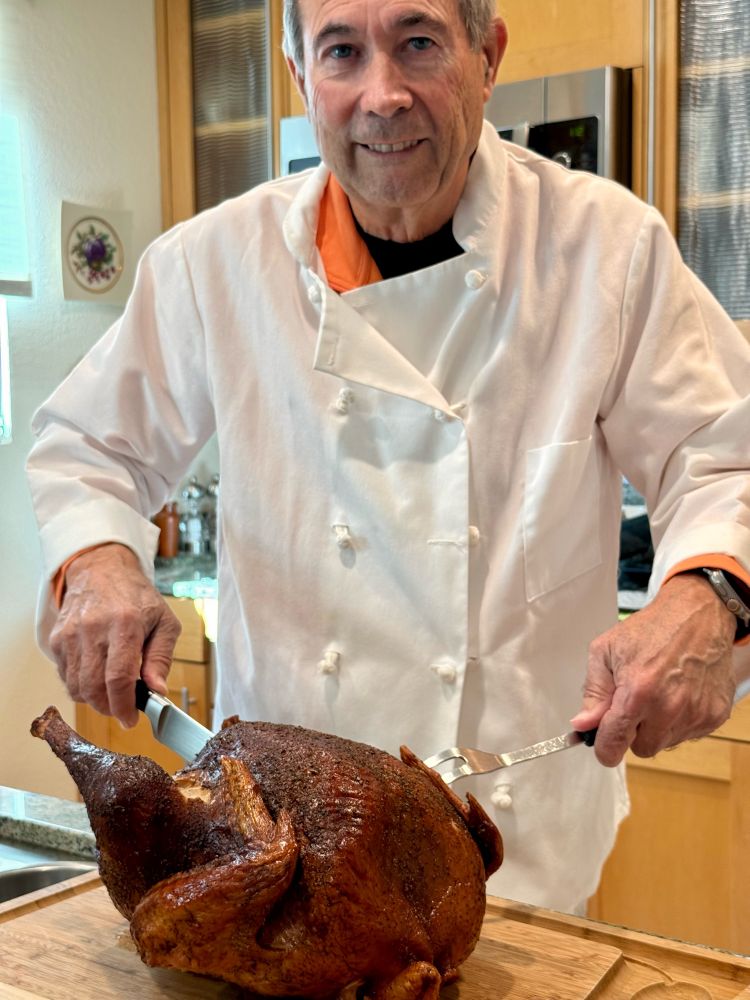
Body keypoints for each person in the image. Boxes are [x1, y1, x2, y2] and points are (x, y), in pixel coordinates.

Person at [26, 0, 750, 914]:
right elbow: (90, 443)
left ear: (486, 57)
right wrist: (97, 562)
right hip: (280, 849)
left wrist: (705, 599)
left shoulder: (606, 249)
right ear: (300, 76)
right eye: (341, 52)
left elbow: (726, 457)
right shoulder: (214, 265)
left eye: (418, 43)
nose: (383, 95)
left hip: (520, 851)